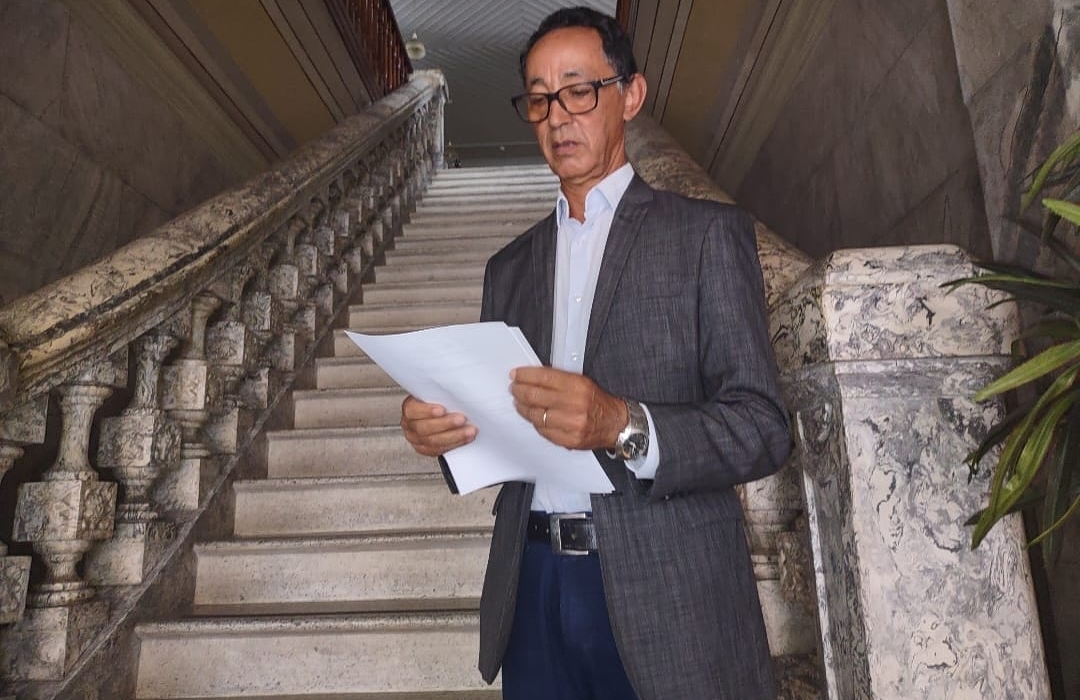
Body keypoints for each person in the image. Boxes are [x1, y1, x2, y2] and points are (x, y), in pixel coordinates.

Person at [400, 7, 792, 699]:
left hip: (670, 592)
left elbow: (762, 425)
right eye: (540, 99)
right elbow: (504, 436)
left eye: (579, 91)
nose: (558, 117)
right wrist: (445, 433)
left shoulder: (706, 235)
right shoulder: (508, 269)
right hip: (533, 588)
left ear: (630, 96)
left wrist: (623, 425)